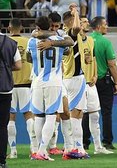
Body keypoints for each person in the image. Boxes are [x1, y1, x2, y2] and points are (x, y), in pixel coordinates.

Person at [27, 16, 67, 161]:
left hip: (37, 82)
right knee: (51, 116)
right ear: (50, 26)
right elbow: (69, 47)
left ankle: (39, 150)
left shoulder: (32, 41)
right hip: (54, 82)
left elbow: (28, 58)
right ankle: (43, 151)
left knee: (39, 117)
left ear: (37, 27)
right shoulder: (57, 40)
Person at [77, 16, 113, 155]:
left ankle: (98, 147)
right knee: (77, 116)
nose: (87, 23)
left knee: (94, 114)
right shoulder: (74, 40)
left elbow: (92, 60)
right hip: (77, 82)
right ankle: (77, 146)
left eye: (86, 21)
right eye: (83, 22)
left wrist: (95, 74)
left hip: (90, 82)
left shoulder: (90, 40)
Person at [7, 18, 37, 158]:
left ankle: (13, 151)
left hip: (9, 85)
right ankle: (34, 148)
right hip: (27, 84)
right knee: (29, 116)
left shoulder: (5, 43)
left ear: (9, 28)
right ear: (22, 28)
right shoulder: (29, 42)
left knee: (10, 118)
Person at [90, 16, 117, 150]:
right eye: (105, 24)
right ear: (98, 27)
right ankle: (107, 141)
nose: (107, 26)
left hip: (89, 82)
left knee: (87, 112)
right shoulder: (105, 42)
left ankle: (85, 141)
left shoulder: (87, 40)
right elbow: (112, 65)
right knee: (106, 113)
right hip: (103, 81)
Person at [0, 27, 21, 168]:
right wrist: (7, 68)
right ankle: (2, 161)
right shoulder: (11, 43)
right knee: (2, 126)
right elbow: (18, 65)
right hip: (5, 88)